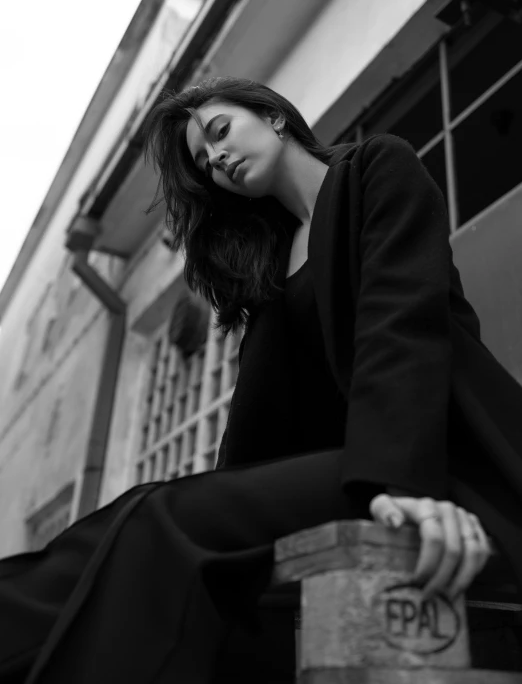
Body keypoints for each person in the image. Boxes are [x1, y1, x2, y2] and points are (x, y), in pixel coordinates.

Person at [1, 75, 521, 683]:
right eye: (207, 164)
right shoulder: (274, 268)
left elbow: (401, 324)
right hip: (353, 476)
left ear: (272, 117)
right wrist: (226, 495)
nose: (217, 159)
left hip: (434, 469)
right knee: (142, 526)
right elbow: (257, 416)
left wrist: (402, 480)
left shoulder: (375, 168)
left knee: (161, 523)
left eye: (220, 133)